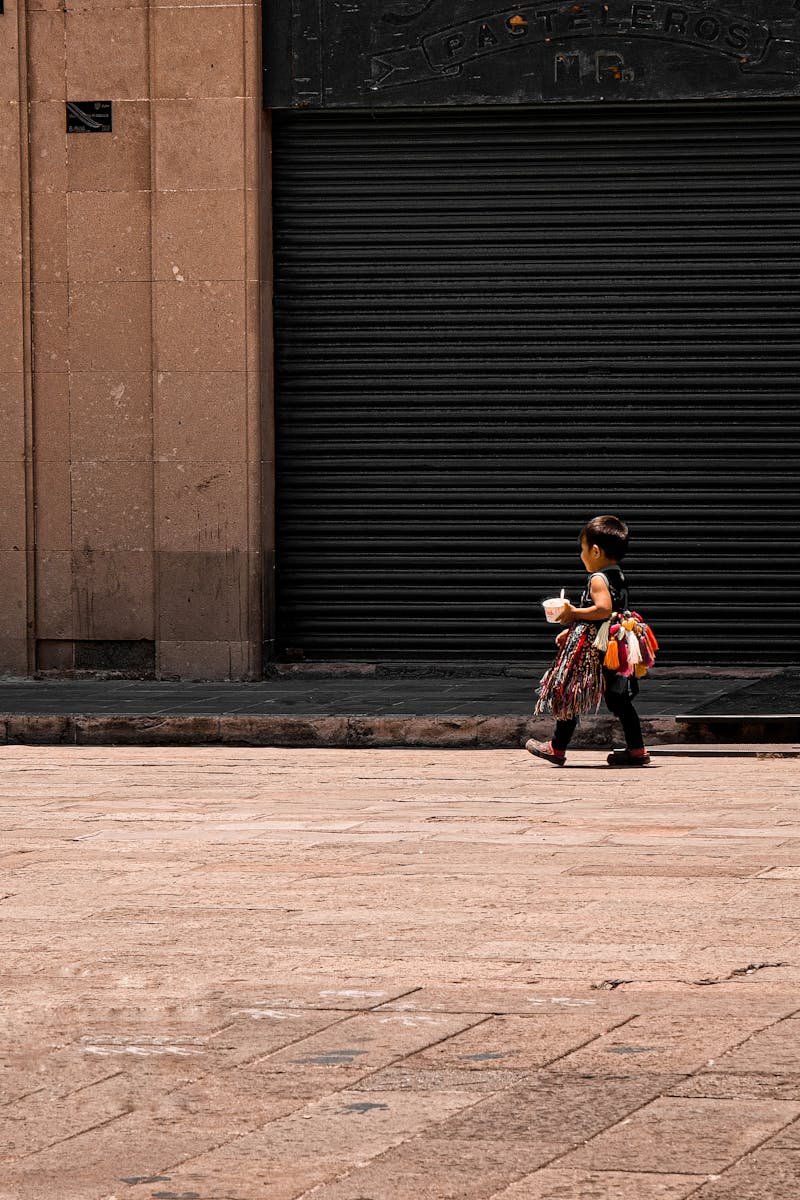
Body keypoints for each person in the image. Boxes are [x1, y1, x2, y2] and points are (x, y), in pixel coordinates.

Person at [526, 514, 651, 768]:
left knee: (572, 692)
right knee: (620, 700)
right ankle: (637, 749)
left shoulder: (597, 579)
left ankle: (556, 748)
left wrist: (572, 613)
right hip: (615, 646)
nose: (581, 555)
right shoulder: (618, 575)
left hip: (596, 650)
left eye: (582, 549)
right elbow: (609, 613)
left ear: (594, 551)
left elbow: (603, 610)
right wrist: (573, 629)